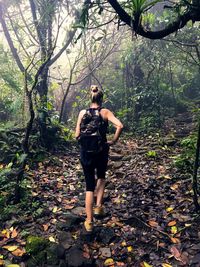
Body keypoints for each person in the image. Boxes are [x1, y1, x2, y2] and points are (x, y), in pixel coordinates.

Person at [75, 85, 123, 232]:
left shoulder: (82, 113)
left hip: (86, 153)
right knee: (101, 177)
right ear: (101, 99)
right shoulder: (105, 112)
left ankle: (89, 222)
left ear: (91, 98)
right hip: (101, 151)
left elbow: (76, 135)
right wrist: (113, 141)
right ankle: (98, 207)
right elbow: (120, 125)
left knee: (89, 186)